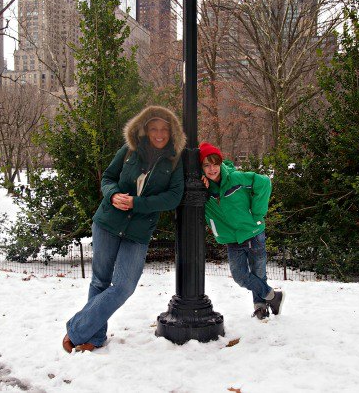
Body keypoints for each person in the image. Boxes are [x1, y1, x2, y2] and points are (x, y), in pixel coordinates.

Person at [63, 106, 186, 353]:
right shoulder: (130, 150)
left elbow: (174, 197)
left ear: (171, 131)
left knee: (124, 286)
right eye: (154, 128)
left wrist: (137, 203)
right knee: (99, 281)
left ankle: (77, 329)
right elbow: (108, 178)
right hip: (108, 222)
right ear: (145, 129)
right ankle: (95, 338)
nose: (159, 134)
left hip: (138, 233)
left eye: (164, 129)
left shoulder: (174, 159)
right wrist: (113, 195)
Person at [199, 142, 284, 320]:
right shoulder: (203, 188)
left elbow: (264, 182)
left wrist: (257, 213)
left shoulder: (236, 178)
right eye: (206, 165)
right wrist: (201, 188)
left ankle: (260, 307)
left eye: (215, 163)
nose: (212, 168)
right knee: (240, 276)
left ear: (220, 163)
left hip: (254, 234)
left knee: (258, 273)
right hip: (232, 239)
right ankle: (273, 297)